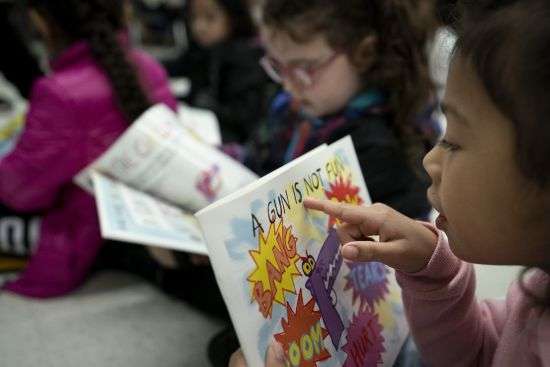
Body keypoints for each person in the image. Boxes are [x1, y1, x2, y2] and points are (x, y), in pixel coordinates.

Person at [298, 1, 550, 366]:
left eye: (454, 141)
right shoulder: (537, 292)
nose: (430, 161)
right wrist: (433, 279)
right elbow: (480, 357)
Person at [209, 0, 441, 365]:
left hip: (335, 306)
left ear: (363, 53)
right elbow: (259, 157)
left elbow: (361, 289)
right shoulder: (297, 106)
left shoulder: (385, 147)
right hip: (275, 259)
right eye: (276, 65)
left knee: (229, 348)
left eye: (304, 67)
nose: (287, 83)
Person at [0, 0, 177, 298]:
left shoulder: (58, 93)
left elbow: (17, 192)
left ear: (41, 22)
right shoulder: (150, 67)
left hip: (77, 234)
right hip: (136, 221)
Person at [165, 0, 273, 143]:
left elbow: (244, 118)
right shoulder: (200, 51)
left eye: (210, 18)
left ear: (232, 18)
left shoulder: (245, 58)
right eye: (193, 18)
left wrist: (205, 106)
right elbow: (174, 68)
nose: (199, 27)